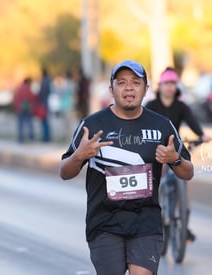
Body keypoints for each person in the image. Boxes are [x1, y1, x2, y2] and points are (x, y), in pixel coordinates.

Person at [59, 60, 194, 275]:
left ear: (146, 89)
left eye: (135, 82)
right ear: (111, 90)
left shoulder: (161, 126)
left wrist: (175, 158)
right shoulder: (92, 125)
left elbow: (188, 172)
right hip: (104, 223)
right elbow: (64, 172)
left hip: (146, 222)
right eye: (121, 82)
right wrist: (79, 156)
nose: (129, 87)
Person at [145, 67, 212, 243]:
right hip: (155, 147)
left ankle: (183, 225)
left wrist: (201, 135)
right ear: (161, 85)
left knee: (183, 181)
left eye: (173, 83)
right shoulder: (151, 106)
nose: (169, 87)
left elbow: (192, 121)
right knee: (157, 178)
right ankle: (154, 214)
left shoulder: (181, 106)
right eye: (167, 83)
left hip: (175, 147)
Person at [13, 77, 36, 143]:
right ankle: (31, 137)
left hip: (20, 108)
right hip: (27, 108)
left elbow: (16, 98)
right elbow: (32, 97)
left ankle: (21, 138)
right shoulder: (28, 88)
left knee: (20, 124)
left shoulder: (19, 88)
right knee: (29, 123)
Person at [36, 68, 52, 142]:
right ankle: (47, 137)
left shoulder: (44, 82)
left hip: (43, 104)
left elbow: (41, 93)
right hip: (46, 103)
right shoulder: (48, 81)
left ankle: (46, 137)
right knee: (45, 121)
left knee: (44, 121)